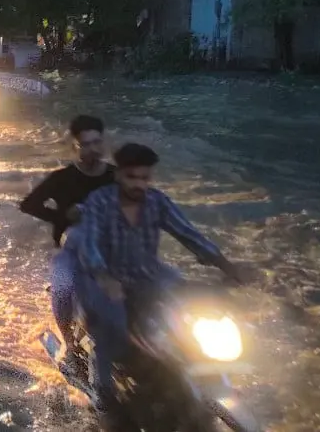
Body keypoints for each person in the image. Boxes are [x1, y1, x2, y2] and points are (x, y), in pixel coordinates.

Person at [73, 143, 244, 420]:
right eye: (132, 177)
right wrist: (104, 278)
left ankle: (188, 366)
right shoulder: (99, 203)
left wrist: (225, 264)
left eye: (144, 178)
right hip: (104, 279)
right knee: (107, 330)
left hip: (148, 275)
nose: (138, 184)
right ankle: (102, 396)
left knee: (188, 301)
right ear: (119, 175)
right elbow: (90, 247)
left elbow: (189, 234)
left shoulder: (157, 202)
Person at [20, 115, 114, 377]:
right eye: (85, 144)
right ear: (75, 146)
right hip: (72, 250)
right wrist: (62, 217)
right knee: (62, 286)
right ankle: (71, 347)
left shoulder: (115, 178)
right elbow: (28, 204)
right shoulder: (61, 178)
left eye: (96, 143)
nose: (92, 149)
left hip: (113, 248)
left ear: (103, 143)